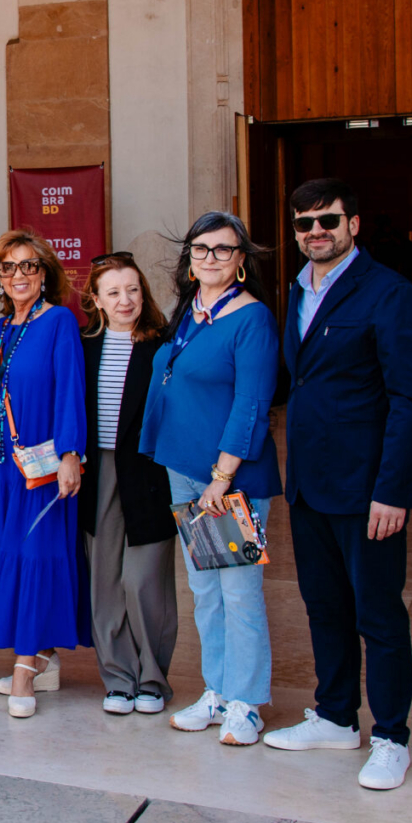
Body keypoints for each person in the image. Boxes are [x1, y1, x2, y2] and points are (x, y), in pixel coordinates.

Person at [263, 178, 412, 792]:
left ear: (353, 224)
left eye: (328, 221)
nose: (316, 232)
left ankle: (391, 736)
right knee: (324, 608)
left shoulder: (391, 294)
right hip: (309, 485)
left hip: (367, 491)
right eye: (304, 223)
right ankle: (336, 717)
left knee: (379, 615)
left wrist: (395, 491)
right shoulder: (297, 293)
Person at [138, 210, 282, 747]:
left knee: (240, 590)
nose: (211, 258)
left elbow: (251, 403)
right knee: (206, 588)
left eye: (223, 250)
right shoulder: (192, 314)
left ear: (241, 261)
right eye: (201, 249)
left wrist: (223, 476)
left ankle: (246, 703)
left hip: (228, 478)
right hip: (184, 470)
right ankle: (217, 690)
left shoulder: (251, 319)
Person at [0, 230, 86, 720]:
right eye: (8, 268)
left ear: (45, 275)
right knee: (6, 554)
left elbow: (70, 389)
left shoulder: (59, 321)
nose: (19, 276)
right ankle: (46, 658)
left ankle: (24, 668)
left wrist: (70, 453)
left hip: (40, 466)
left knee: (35, 553)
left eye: (29, 266)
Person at [79, 252, 178, 716]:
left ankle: (153, 680)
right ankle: (118, 678)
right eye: (114, 292)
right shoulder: (82, 345)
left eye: (133, 290)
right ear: (95, 299)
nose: (125, 300)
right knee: (105, 580)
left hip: (149, 472)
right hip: (96, 470)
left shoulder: (165, 344)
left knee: (144, 581)